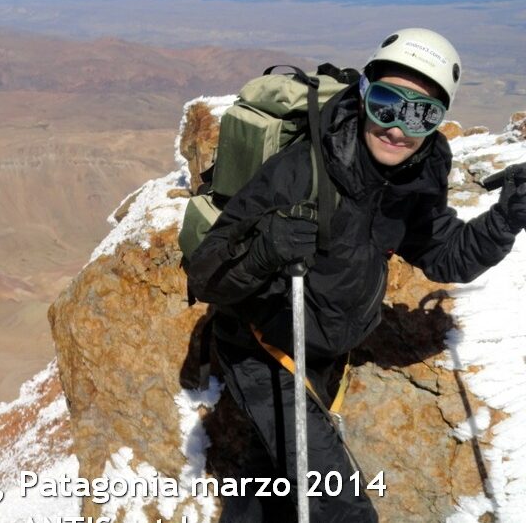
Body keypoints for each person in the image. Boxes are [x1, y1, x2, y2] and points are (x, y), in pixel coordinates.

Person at [186, 28, 526, 522]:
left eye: (422, 114)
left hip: (324, 353)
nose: (398, 127)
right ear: (365, 93)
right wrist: (266, 251)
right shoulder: (301, 171)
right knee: (344, 511)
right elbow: (205, 278)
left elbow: (446, 255)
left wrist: (506, 218)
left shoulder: (419, 170)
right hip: (265, 349)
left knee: (276, 478)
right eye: (387, 102)